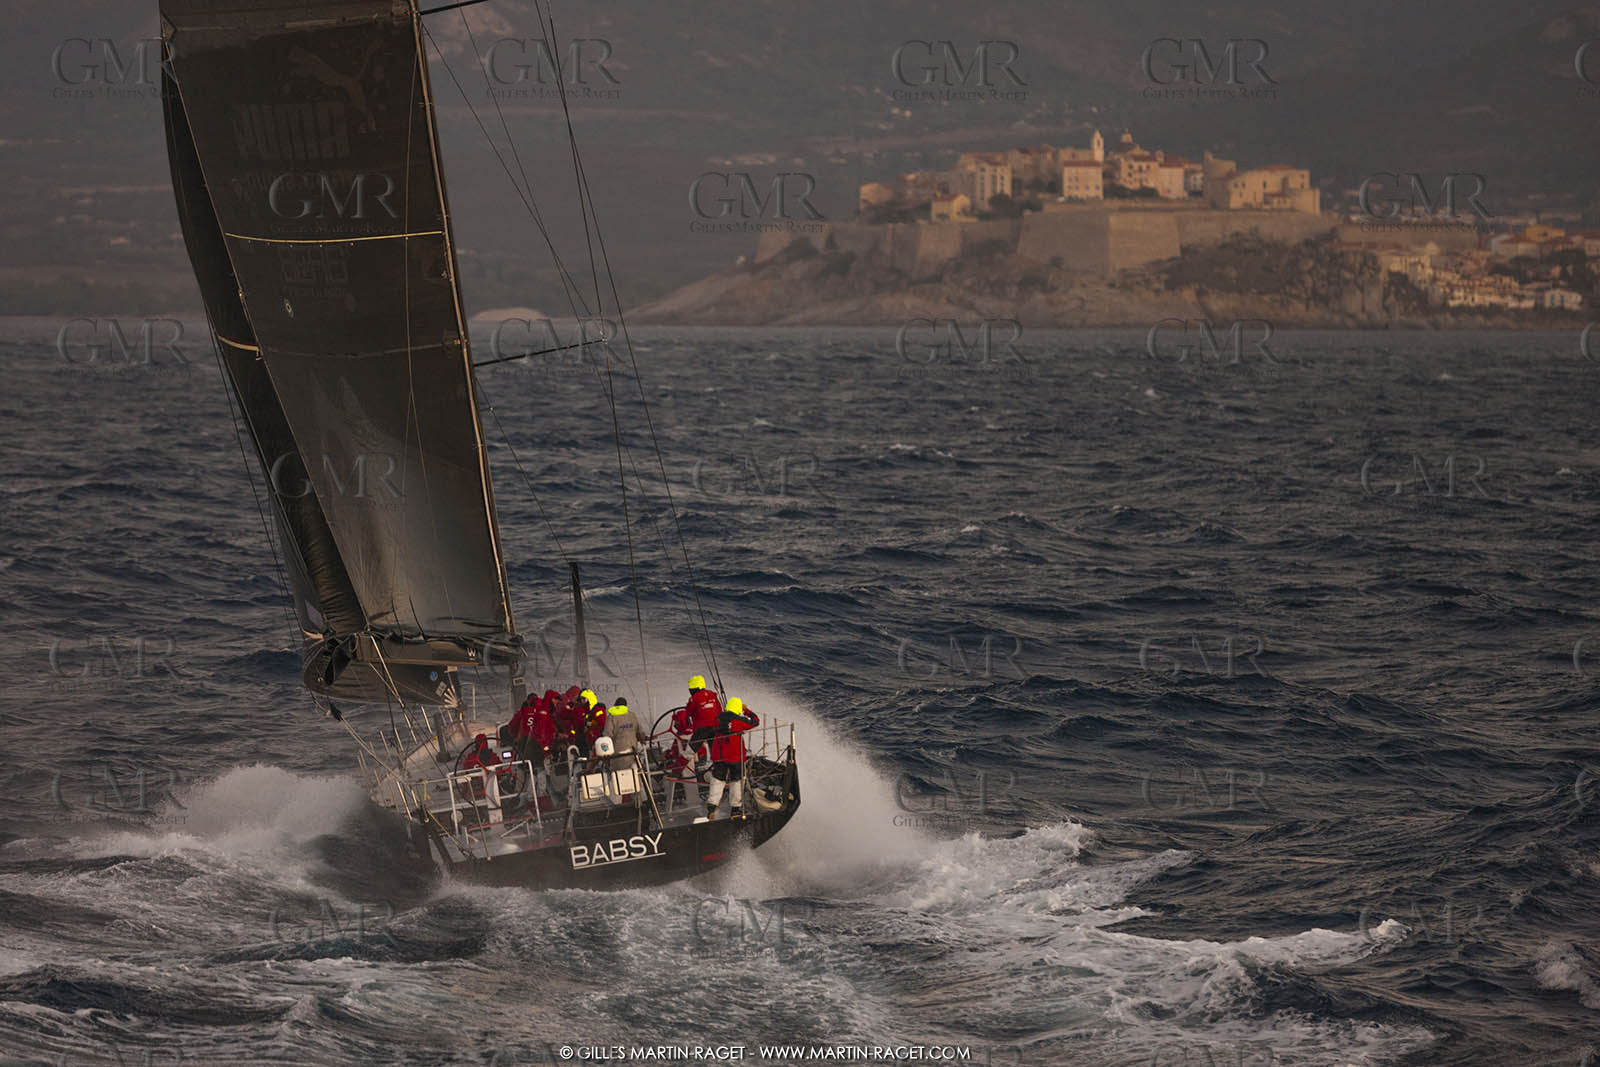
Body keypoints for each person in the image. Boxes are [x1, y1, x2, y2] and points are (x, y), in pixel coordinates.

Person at [705, 697, 759, 820]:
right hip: (735, 757)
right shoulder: (739, 720)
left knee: (718, 780)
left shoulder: (718, 719)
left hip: (719, 757)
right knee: (737, 781)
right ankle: (735, 810)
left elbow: (713, 729)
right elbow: (756, 721)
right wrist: (747, 711)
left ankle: (712, 807)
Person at [684, 674, 723, 766]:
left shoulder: (694, 698)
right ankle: (717, 769)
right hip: (715, 728)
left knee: (689, 752)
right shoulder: (712, 694)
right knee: (715, 752)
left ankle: (678, 771)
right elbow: (719, 710)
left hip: (702, 729)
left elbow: (687, 713)